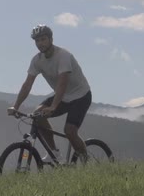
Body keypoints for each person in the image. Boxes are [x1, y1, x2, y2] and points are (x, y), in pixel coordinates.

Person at [7, 24, 92, 163]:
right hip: (63, 97)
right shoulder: (37, 60)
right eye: (37, 41)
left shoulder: (63, 56)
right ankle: (55, 154)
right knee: (38, 114)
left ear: (51, 39)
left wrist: (53, 106)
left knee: (70, 131)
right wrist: (15, 106)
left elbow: (62, 83)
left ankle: (85, 161)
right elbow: (27, 84)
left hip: (80, 96)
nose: (40, 43)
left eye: (43, 39)